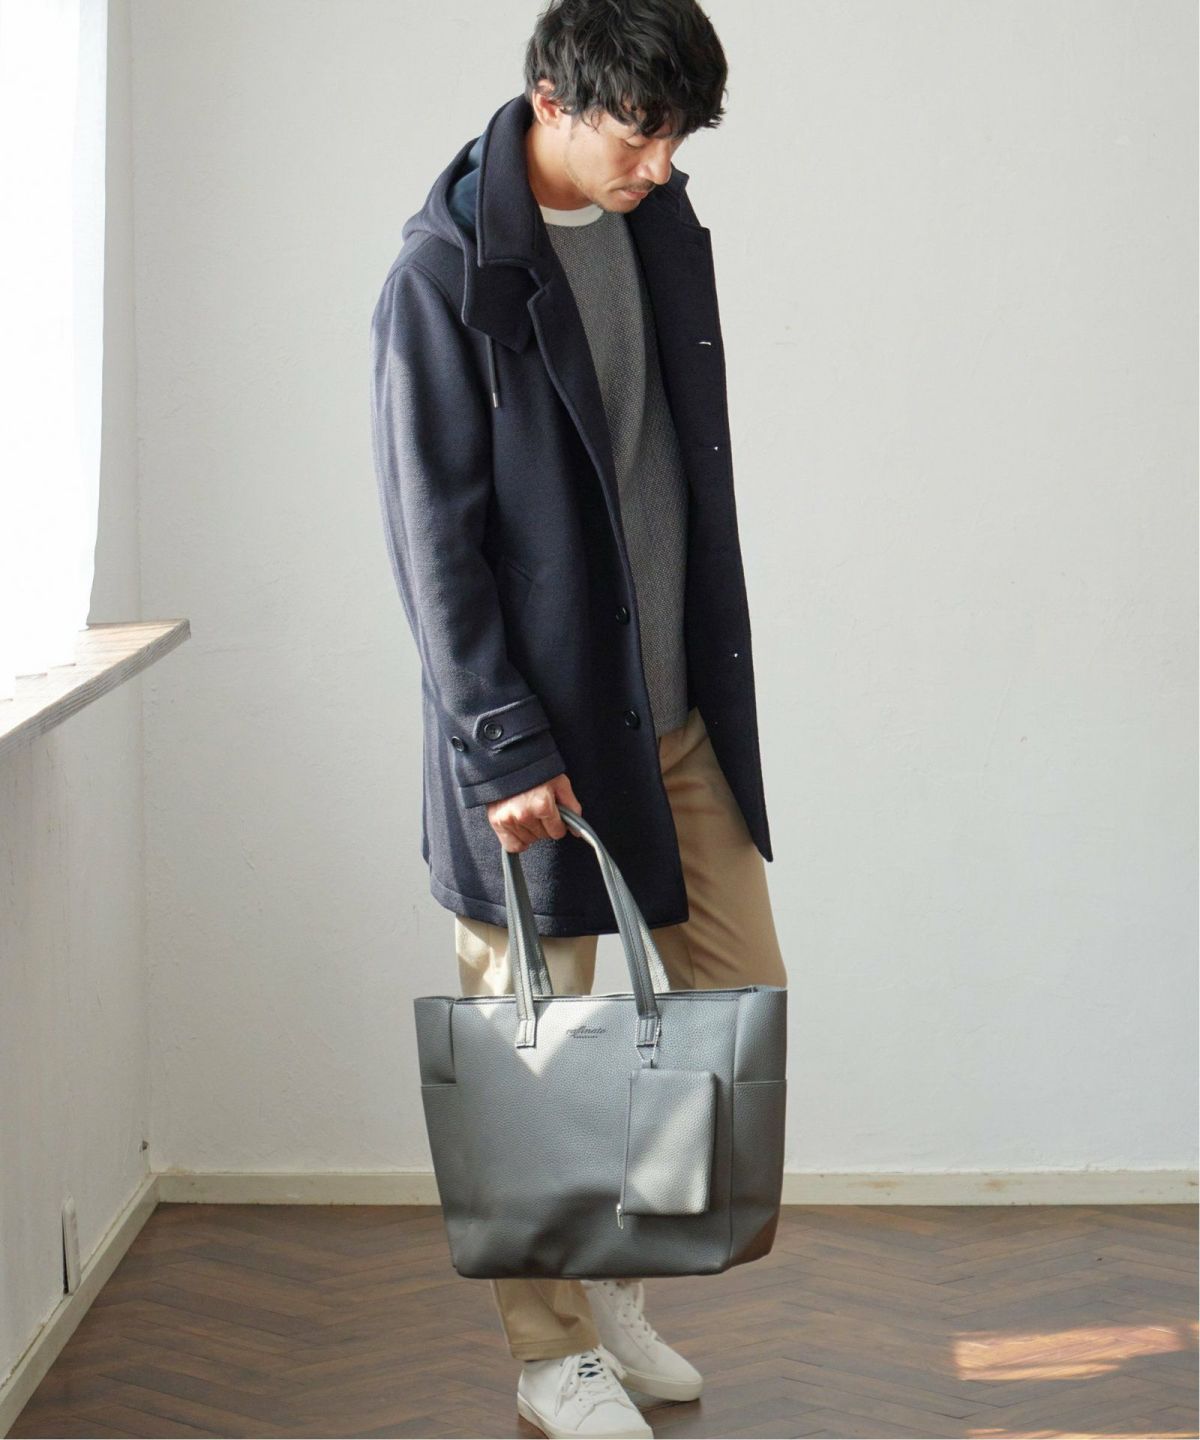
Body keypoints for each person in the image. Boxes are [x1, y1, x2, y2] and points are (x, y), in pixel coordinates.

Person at [369, 2, 786, 1435]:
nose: (661, 164)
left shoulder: (653, 223)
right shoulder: (446, 272)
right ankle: (550, 1358)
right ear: (552, 94)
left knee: (734, 1008)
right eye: (639, 133)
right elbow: (434, 544)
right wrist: (502, 745)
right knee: (532, 1055)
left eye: (679, 137)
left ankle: (615, 1283)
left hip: (673, 713)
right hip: (535, 742)